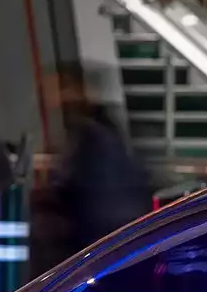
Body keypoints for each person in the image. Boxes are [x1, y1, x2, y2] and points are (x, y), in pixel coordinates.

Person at [57, 105, 152, 254]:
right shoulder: (112, 141)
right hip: (120, 218)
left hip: (101, 220)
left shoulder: (92, 140)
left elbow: (80, 180)